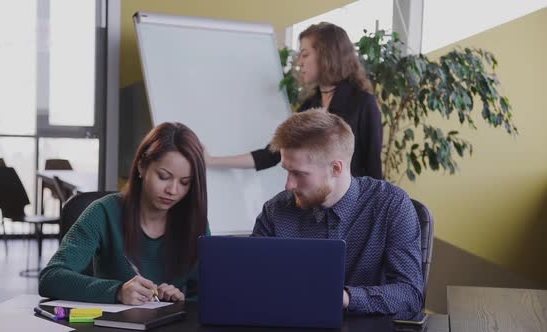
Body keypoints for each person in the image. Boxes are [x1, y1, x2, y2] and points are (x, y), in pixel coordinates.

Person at [252, 109, 423, 314]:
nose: (288, 185)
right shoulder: (275, 211)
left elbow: (410, 294)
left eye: (299, 174)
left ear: (336, 169)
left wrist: (344, 298)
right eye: (287, 171)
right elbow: (251, 280)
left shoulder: (391, 205)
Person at [39, 122, 209, 305]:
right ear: (142, 166)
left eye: (185, 182)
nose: (173, 190)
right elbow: (50, 278)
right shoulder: (103, 213)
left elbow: (208, 292)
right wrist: (118, 291)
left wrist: (180, 300)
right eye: (164, 177)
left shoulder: (194, 221)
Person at [206, 22, 382, 179]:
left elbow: (374, 169)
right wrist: (210, 161)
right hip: (315, 209)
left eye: (305, 55)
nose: (299, 62)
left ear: (327, 55)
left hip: (354, 209)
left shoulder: (362, 103)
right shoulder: (310, 106)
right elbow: (271, 154)